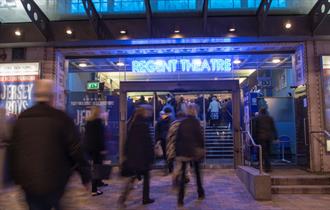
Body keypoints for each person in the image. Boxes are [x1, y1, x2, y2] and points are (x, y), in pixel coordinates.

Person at [8, 79, 91, 210]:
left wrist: (15, 177)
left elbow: (13, 151)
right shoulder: (61, 118)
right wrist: (85, 175)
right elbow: (76, 149)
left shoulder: (22, 119)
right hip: (56, 180)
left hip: (28, 182)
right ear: (52, 97)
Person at [119, 105, 155, 207]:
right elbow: (147, 143)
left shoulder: (133, 124)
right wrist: (151, 156)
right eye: (148, 111)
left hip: (134, 157)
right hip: (142, 158)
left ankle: (123, 198)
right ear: (144, 113)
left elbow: (128, 142)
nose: (150, 113)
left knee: (132, 178)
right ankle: (145, 198)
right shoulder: (143, 124)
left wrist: (126, 154)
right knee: (146, 177)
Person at [176, 104, 205, 207]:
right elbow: (200, 137)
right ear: (195, 111)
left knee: (183, 175)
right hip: (194, 151)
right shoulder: (196, 122)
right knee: (197, 173)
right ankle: (200, 192)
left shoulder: (182, 122)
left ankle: (180, 199)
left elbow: (178, 138)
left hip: (183, 152)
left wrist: (177, 151)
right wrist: (202, 148)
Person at [85, 106, 107, 196]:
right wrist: (102, 148)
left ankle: (99, 182)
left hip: (90, 148)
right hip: (97, 148)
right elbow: (99, 137)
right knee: (97, 167)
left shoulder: (88, 122)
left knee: (96, 166)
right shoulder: (98, 122)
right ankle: (94, 190)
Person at [252, 107, 278, 172]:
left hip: (260, 137)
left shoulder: (257, 118)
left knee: (263, 152)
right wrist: (275, 137)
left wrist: (254, 138)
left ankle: (266, 166)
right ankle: (266, 165)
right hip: (269, 137)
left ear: (260, 112)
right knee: (267, 152)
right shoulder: (270, 118)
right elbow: (273, 128)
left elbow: (255, 129)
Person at [155, 107, 174, 174]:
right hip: (169, 139)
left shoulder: (160, 119)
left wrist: (157, 139)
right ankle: (170, 167)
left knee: (166, 154)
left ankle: (167, 167)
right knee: (170, 153)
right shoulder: (170, 119)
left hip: (163, 139)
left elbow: (157, 130)